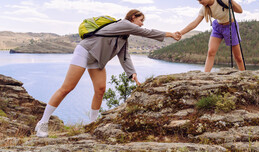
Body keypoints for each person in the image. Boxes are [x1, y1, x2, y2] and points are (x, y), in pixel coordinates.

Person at [35, 9, 180, 137]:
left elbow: (124, 56)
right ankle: (43, 122)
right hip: (85, 51)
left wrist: (132, 73)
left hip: (97, 59)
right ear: (132, 17)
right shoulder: (123, 24)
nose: (142, 24)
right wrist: (170, 34)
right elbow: (146, 32)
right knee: (67, 88)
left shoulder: (124, 36)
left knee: (100, 90)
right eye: (141, 20)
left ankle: (91, 124)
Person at [177, 0, 245, 72]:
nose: (199, 2)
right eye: (198, 0)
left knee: (238, 57)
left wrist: (231, 0)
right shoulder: (204, 8)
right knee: (210, 52)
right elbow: (195, 23)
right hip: (217, 27)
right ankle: (206, 75)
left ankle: (243, 75)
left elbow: (240, 10)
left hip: (230, 26)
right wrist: (181, 33)